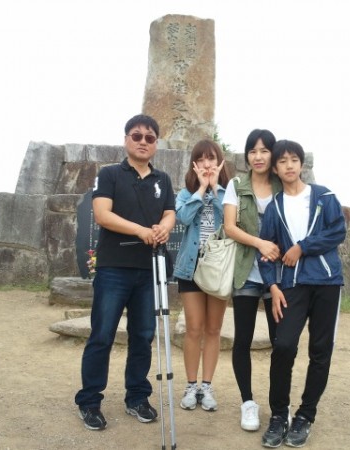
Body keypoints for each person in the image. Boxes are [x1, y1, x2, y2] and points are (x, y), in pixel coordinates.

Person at [74, 114, 176, 431]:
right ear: (126, 140)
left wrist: (164, 227)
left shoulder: (163, 180)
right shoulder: (109, 175)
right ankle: (89, 401)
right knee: (102, 335)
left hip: (149, 270)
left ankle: (137, 397)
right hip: (113, 269)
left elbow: (170, 212)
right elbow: (102, 215)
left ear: (156, 143)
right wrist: (141, 231)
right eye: (137, 135)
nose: (143, 141)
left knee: (143, 337)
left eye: (150, 137)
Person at [257, 139, 346, 448]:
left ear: (301, 164)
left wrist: (302, 247)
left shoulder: (324, 196)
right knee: (283, 346)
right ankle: (279, 415)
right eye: (282, 161)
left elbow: (337, 232)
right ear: (275, 169)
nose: (289, 165)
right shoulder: (274, 207)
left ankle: (305, 416)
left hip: (326, 283)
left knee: (320, 350)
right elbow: (266, 252)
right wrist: (272, 286)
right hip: (291, 286)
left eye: (294, 159)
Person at [222, 129, 282, 431]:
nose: (258, 157)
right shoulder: (236, 185)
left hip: (279, 275)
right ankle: (248, 402)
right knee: (243, 339)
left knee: (281, 342)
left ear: (273, 154)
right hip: (246, 270)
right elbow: (230, 227)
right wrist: (260, 243)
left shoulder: (283, 184)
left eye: (264, 150)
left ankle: (279, 405)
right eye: (253, 151)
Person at [172, 139, 231, 412]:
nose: (207, 164)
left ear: (220, 162)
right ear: (194, 164)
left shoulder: (228, 193)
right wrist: (201, 190)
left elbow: (232, 223)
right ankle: (190, 385)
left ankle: (206, 386)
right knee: (193, 328)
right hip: (191, 267)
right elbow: (182, 219)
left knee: (213, 329)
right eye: (201, 159)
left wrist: (216, 190)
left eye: (211, 158)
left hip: (218, 267)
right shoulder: (186, 193)